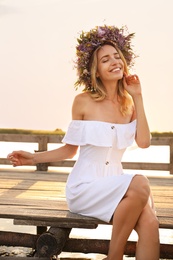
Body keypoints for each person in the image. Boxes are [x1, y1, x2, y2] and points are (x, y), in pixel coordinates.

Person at [8, 25, 160, 260]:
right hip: (86, 187)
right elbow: (71, 150)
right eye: (105, 60)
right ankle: (114, 256)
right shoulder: (83, 102)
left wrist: (138, 96)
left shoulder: (129, 102)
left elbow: (144, 142)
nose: (114, 62)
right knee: (140, 182)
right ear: (95, 71)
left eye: (117, 56)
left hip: (120, 187)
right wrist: (34, 157)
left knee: (150, 222)